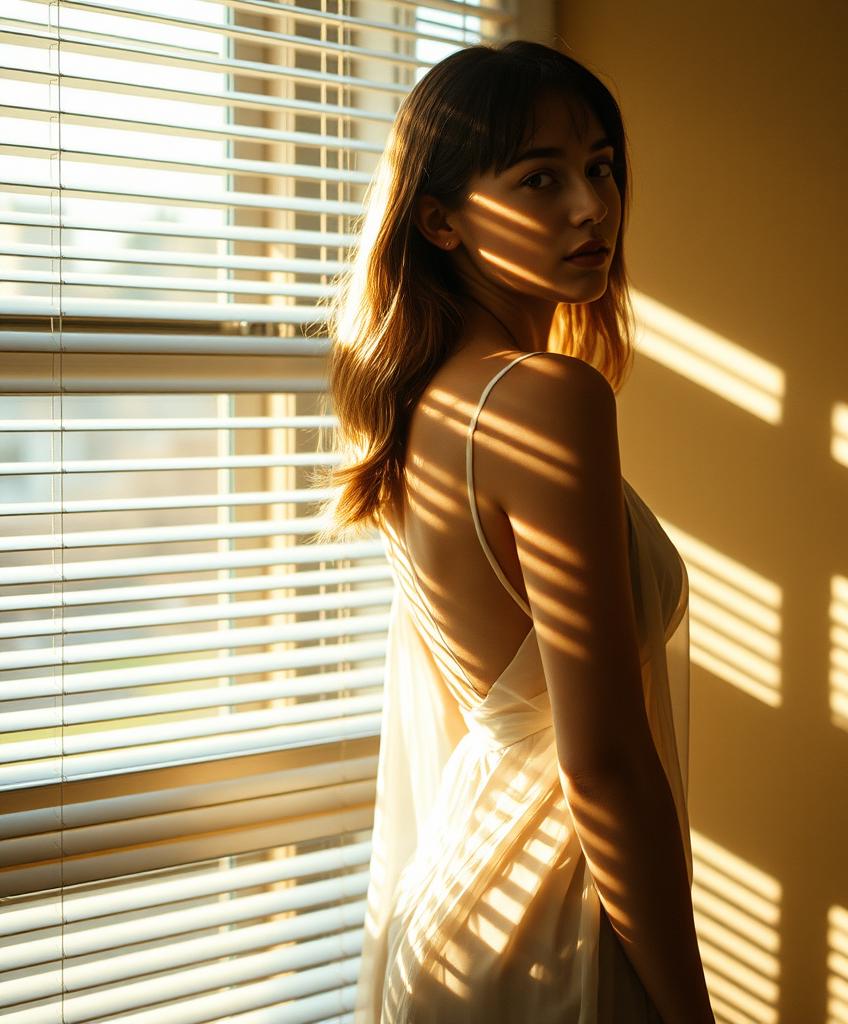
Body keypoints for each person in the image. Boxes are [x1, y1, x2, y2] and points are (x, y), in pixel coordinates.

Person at [316, 39, 715, 1024]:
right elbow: (606, 761)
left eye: (600, 167)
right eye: (541, 178)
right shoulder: (543, 400)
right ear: (439, 220)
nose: (592, 206)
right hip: (556, 928)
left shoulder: (421, 404)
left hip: (459, 910)